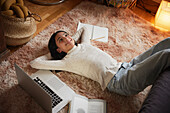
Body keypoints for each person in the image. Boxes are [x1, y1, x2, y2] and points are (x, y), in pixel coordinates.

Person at [30, 27, 170, 96]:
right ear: (58, 49)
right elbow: (34, 63)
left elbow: (85, 29)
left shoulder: (84, 45)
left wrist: (71, 38)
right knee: (166, 55)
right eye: (61, 40)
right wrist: (53, 53)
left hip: (126, 65)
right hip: (120, 81)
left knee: (166, 43)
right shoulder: (66, 62)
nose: (67, 38)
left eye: (66, 35)